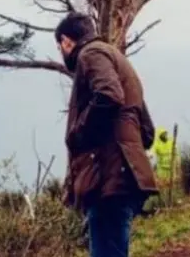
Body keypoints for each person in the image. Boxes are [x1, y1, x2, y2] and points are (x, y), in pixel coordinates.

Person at [57, 13, 158, 257]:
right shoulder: (117, 59)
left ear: (66, 41)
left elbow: (109, 95)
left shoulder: (90, 54)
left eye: (60, 46)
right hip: (126, 177)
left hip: (107, 179)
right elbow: (147, 131)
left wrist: (77, 134)